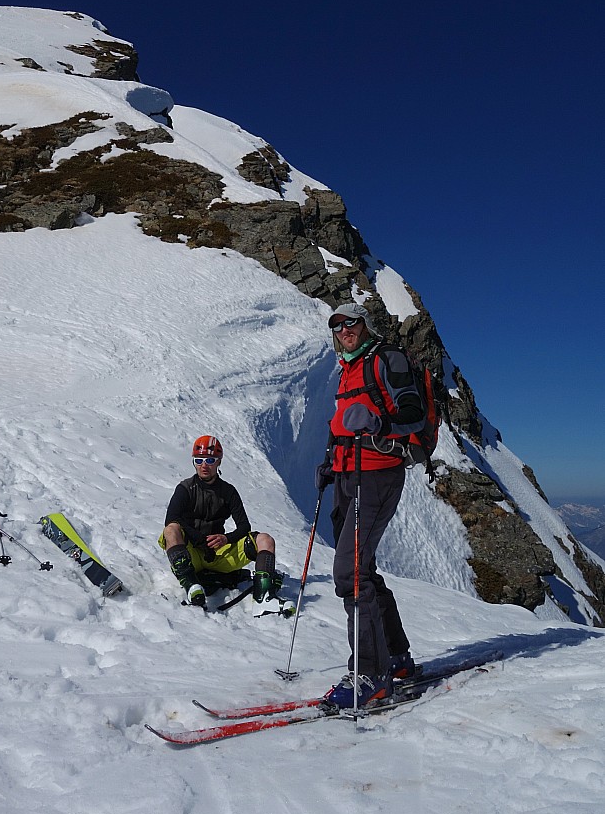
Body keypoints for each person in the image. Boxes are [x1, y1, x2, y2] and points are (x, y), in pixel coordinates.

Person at [316, 302, 426, 709]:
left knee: (349, 573)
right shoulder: (347, 370)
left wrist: (380, 424)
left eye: (352, 322)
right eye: (337, 325)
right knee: (364, 571)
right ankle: (395, 659)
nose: (344, 329)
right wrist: (330, 461)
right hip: (348, 474)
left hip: (377, 474)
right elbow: (343, 423)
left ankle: (370, 675)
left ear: (366, 325)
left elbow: (413, 414)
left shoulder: (386, 360)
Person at [160, 435, 292, 615]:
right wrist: (199, 540)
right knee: (171, 529)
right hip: (192, 554)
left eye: (210, 460)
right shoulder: (185, 488)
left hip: (219, 554)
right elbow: (171, 518)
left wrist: (226, 538)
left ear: (218, 462)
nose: (204, 465)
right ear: (194, 462)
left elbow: (244, 526)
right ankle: (191, 586)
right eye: (199, 460)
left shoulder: (228, 492)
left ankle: (264, 598)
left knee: (265, 540)